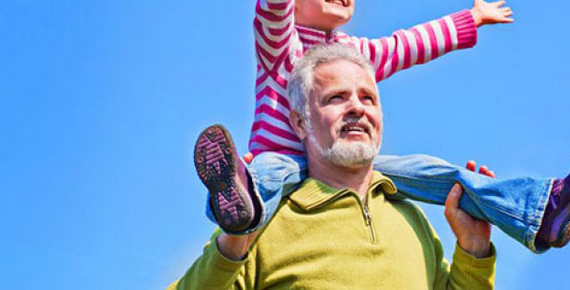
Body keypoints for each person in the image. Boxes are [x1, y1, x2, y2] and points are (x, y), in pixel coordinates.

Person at [195, 0, 570, 254]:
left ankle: (538, 212)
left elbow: (409, 44)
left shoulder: (355, 52)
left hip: (345, 161)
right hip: (284, 159)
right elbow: (275, 1)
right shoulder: (280, 44)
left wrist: (470, 19)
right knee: (266, 171)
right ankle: (237, 198)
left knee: (440, 172)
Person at [171, 44, 500, 289]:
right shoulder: (265, 221)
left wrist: (474, 249)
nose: (357, 107)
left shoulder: (411, 219)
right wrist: (231, 246)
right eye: (336, 98)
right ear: (300, 123)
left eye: (368, 98)